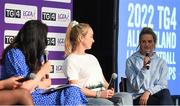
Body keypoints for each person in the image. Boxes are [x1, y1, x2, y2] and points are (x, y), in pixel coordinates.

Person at [0, 20, 87, 105]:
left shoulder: (37, 54)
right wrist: (42, 71)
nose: (45, 41)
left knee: (73, 90)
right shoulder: (15, 53)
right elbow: (23, 87)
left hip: (39, 93)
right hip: (29, 96)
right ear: (35, 38)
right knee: (71, 93)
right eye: (44, 37)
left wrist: (38, 82)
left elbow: (46, 83)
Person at [63, 20, 132, 105]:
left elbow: (103, 81)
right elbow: (75, 88)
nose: (93, 40)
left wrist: (109, 89)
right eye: (91, 36)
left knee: (126, 97)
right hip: (85, 98)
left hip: (101, 94)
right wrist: (98, 94)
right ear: (81, 38)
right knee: (107, 104)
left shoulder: (92, 58)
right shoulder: (71, 60)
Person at [125, 27, 174, 105]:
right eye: (144, 41)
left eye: (150, 41)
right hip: (138, 98)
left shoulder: (161, 62)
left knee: (165, 92)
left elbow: (162, 84)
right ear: (139, 43)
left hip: (154, 95)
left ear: (154, 43)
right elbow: (136, 86)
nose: (147, 44)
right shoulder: (131, 61)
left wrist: (148, 92)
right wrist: (144, 68)